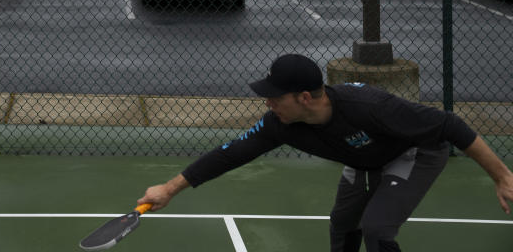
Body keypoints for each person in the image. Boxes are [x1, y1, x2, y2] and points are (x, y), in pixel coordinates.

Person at [138, 54, 513, 252]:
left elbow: (449, 125)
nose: (267, 102)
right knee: (343, 223)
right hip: (363, 159)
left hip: (414, 152)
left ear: (304, 97)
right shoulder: (280, 123)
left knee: (378, 230)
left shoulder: (368, 106)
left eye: (274, 95)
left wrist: (501, 176)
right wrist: (169, 189)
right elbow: (231, 153)